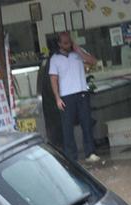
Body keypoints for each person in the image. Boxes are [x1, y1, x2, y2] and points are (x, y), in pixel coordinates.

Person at [48, 32, 101, 163]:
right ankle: (71, 157)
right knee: (67, 127)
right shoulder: (55, 59)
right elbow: (53, 79)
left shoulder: (77, 53)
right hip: (66, 96)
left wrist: (79, 52)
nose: (68, 45)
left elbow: (94, 61)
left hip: (82, 92)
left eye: (69, 42)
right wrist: (57, 98)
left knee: (86, 123)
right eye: (65, 43)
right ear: (59, 44)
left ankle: (90, 152)